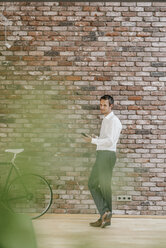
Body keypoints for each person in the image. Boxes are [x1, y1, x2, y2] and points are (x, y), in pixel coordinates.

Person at [83, 95, 122, 228]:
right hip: (102, 154)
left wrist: (93, 141)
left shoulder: (114, 121)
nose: (102, 107)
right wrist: (96, 138)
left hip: (107, 156)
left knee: (100, 186)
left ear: (111, 106)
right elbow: (106, 138)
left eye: (105, 105)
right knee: (98, 185)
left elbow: (111, 141)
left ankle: (105, 214)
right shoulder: (106, 120)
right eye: (101, 105)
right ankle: (105, 216)